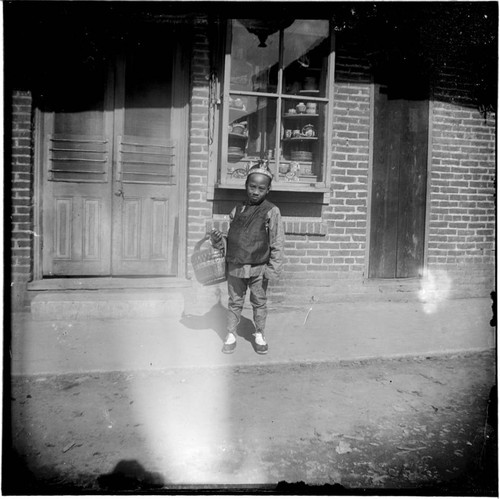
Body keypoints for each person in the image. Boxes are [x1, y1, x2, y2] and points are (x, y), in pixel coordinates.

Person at [210, 162, 284, 354]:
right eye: (252, 186)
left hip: (258, 267)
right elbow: (233, 240)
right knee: (235, 301)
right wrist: (219, 241)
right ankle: (230, 334)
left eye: (261, 188)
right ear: (246, 186)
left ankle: (259, 334)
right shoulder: (237, 210)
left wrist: (272, 268)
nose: (256, 192)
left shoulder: (271, 211)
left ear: (268, 190)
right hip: (236, 266)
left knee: (259, 301)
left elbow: (277, 242)